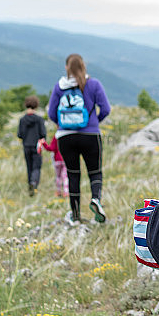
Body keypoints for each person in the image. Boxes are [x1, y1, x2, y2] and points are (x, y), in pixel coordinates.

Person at [47, 54, 111, 224]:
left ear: (67, 67)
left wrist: (63, 125)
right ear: (84, 65)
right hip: (90, 135)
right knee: (95, 171)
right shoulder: (94, 84)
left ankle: (75, 214)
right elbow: (105, 108)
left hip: (66, 137)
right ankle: (96, 199)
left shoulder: (59, 86)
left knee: (73, 174)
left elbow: (52, 114)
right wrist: (94, 123)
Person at [17, 95, 46, 196]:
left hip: (26, 146)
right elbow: (43, 134)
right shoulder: (39, 119)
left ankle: (30, 186)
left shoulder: (22, 120)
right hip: (36, 146)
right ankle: (34, 183)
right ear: (36, 105)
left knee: (29, 167)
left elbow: (19, 134)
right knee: (36, 167)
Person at [38, 130, 68, 198]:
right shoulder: (67, 136)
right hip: (65, 159)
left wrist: (44, 143)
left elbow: (51, 148)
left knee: (58, 177)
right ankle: (66, 192)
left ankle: (58, 191)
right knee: (65, 176)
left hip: (57, 160)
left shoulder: (56, 136)